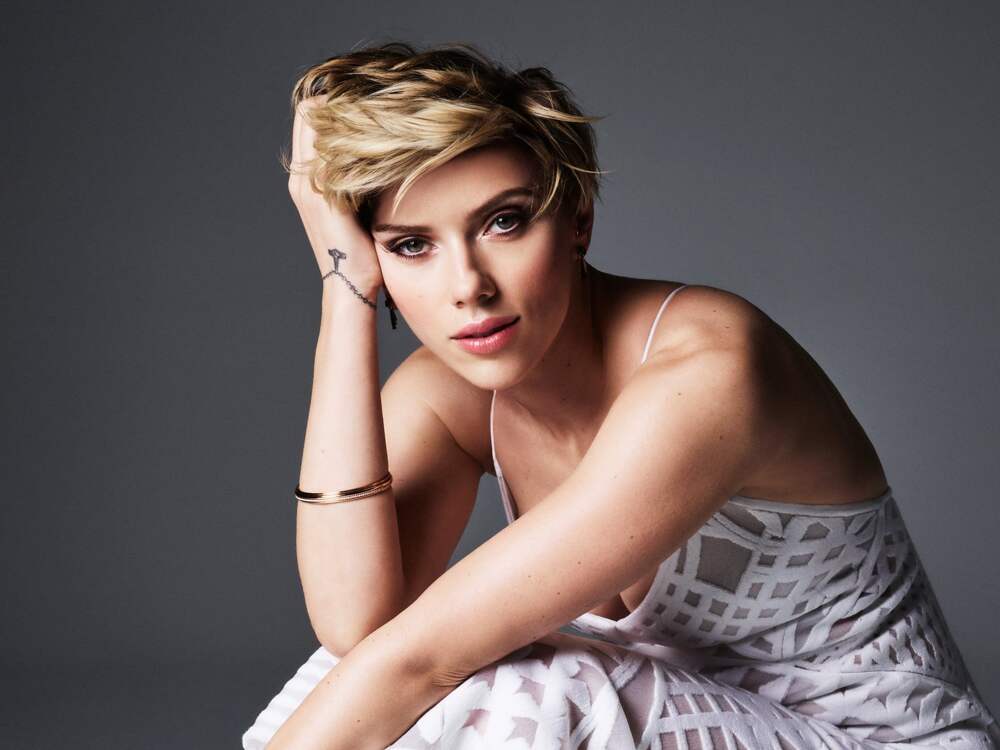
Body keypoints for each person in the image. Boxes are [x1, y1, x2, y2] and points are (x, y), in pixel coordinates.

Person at [243, 41, 998, 749]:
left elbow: (419, 661)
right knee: (345, 677)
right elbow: (357, 626)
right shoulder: (451, 394)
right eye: (412, 245)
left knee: (524, 687)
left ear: (577, 219)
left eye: (504, 222)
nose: (467, 286)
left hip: (873, 740)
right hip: (693, 726)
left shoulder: (711, 369)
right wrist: (345, 291)